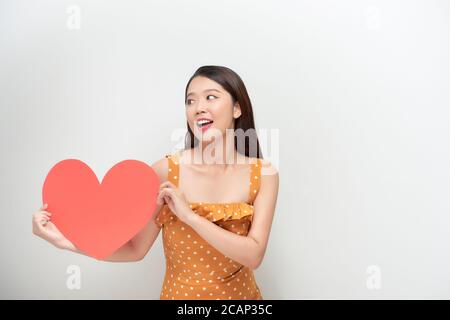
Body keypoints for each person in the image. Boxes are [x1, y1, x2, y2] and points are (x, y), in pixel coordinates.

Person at [32, 65, 279, 300]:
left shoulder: (264, 174)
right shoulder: (165, 171)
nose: (198, 108)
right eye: (190, 101)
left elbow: (254, 255)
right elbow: (135, 250)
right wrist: (66, 242)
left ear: (237, 108)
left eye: (210, 97)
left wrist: (190, 216)